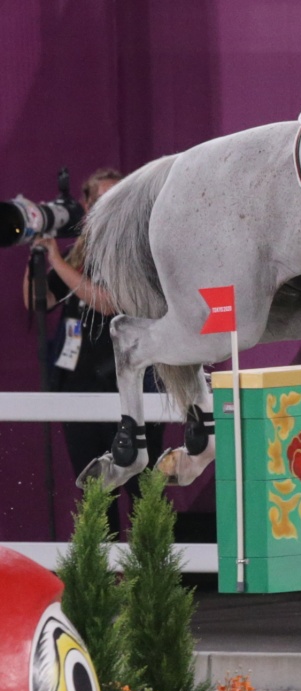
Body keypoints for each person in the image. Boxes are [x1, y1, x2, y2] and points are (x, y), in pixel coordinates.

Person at [21, 167, 163, 533]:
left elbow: (107, 302)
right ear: (86, 205)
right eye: (101, 199)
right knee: (95, 486)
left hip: (126, 386)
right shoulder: (75, 255)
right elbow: (37, 300)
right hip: (79, 384)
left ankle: (148, 570)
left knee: (139, 484)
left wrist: (56, 262)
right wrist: (37, 256)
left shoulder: (134, 251)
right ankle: (107, 576)